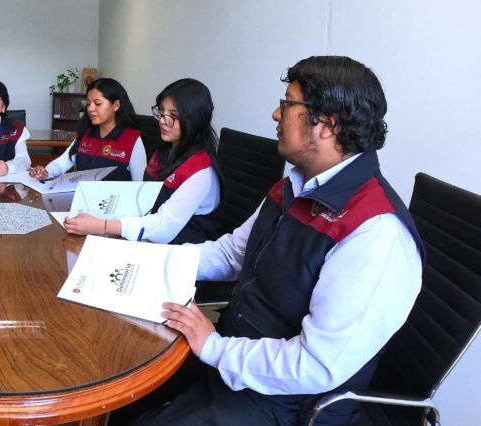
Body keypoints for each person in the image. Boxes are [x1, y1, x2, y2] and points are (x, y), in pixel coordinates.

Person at [110, 56, 425, 425]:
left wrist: (214, 348)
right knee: (122, 380)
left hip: (284, 399)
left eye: (287, 104)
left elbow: (315, 365)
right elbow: (232, 253)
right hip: (234, 350)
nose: (276, 114)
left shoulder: (376, 233)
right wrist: (144, 261)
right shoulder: (294, 185)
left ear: (327, 125)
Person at [63, 79, 222, 244]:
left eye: (173, 116)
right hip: (148, 236)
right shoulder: (165, 152)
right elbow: (144, 196)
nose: (162, 120)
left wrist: (102, 226)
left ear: (195, 119)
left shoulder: (201, 171)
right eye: (161, 112)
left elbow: (163, 227)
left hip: (181, 250)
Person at [28, 78, 146, 182]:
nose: (90, 109)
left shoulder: (132, 139)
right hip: (81, 198)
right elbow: (62, 162)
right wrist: (46, 172)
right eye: (89, 104)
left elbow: (140, 185)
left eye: (97, 103)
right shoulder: (86, 133)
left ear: (116, 105)